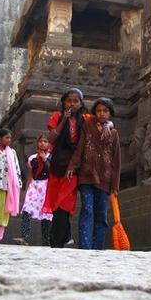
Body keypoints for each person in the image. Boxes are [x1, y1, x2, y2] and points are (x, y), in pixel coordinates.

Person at [67, 98, 121, 250]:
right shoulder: (88, 127)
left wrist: (115, 186)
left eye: (105, 111)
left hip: (105, 178)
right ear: (94, 112)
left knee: (101, 214)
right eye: (99, 111)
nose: (102, 114)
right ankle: (85, 246)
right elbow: (80, 148)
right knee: (87, 210)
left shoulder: (113, 133)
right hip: (86, 175)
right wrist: (72, 166)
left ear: (110, 113)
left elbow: (116, 161)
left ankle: (97, 247)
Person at [43, 88, 93, 248]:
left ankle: (58, 238)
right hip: (58, 165)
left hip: (74, 166)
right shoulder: (57, 116)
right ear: (63, 102)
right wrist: (64, 120)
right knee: (57, 203)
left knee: (64, 202)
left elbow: (102, 122)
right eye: (68, 101)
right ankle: (59, 238)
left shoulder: (85, 119)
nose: (71, 104)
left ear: (81, 103)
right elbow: (51, 138)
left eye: (75, 101)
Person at [14, 135, 53, 246]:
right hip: (35, 186)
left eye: (45, 141)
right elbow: (30, 174)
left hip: (46, 186)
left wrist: (45, 159)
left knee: (46, 214)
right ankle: (24, 237)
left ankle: (46, 240)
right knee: (27, 209)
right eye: (40, 141)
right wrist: (26, 189)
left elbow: (51, 171)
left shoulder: (51, 157)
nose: (43, 143)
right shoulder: (32, 158)